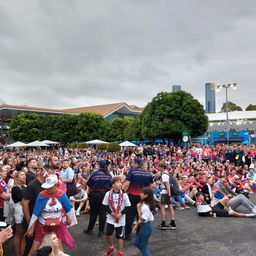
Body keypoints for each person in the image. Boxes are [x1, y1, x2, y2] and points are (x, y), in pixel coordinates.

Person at [26, 174, 77, 256]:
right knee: (34, 250)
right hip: (42, 226)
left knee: (58, 249)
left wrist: (68, 219)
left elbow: (69, 209)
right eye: (47, 187)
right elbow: (36, 213)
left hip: (57, 225)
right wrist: (31, 228)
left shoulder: (62, 194)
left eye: (50, 187)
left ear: (56, 185)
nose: (47, 189)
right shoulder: (41, 195)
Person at [123, 158, 153, 240]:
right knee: (140, 216)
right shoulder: (148, 173)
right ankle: (139, 234)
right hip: (143, 197)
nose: (132, 164)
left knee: (130, 216)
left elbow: (127, 184)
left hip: (132, 196)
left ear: (136, 163)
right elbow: (151, 187)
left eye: (133, 162)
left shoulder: (132, 171)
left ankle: (127, 235)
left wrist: (123, 192)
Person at [22, 168, 48, 256]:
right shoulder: (32, 185)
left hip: (42, 221)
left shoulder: (47, 185)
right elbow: (25, 203)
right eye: (49, 173)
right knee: (30, 246)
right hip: (32, 220)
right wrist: (30, 223)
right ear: (42, 172)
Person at [102, 176, 131, 256]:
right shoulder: (108, 194)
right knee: (108, 233)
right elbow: (104, 205)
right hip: (111, 218)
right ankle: (111, 247)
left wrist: (120, 214)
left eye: (120, 182)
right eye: (118, 182)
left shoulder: (124, 195)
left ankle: (120, 252)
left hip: (120, 219)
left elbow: (128, 207)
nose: (120, 184)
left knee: (119, 236)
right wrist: (112, 213)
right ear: (113, 185)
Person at [84, 160, 112, 237]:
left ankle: (90, 229)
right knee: (102, 213)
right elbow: (110, 186)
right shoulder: (108, 175)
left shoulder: (94, 174)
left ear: (99, 165)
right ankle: (101, 231)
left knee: (93, 213)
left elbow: (89, 185)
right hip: (104, 195)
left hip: (95, 195)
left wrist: (89, 194)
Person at [132, 188, 154, 256]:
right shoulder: (144, 203)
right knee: (136, 243)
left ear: (146, 195)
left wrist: (138, 209)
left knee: (144, 248)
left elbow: (142, 220)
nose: (140, 194)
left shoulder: (146, 206)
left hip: (146, 228)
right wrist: (136, 226)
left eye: (142, 193)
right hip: (143, 227)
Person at [11, 170, 27, 256]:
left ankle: (22, 252)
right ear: (17, 178)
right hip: (19, 212)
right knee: (18, 232)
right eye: (22, 175)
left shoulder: (25, 186)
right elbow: (24, 200)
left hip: (25, 211)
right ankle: (18, 254)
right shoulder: (15, 188)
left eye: (24, 174)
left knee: (23, 233)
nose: (24, 176)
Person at [157, 163, 176, 230]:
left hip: (165, 192)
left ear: (162, 167)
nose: (157, 168)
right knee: (170, 206)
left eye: (159, 167)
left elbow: (167, 185)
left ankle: (163, 223)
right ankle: (172, 222)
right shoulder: (167, 173)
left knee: (162, 207)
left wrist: (169, 194)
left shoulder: (164, 174)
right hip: (167, 192)